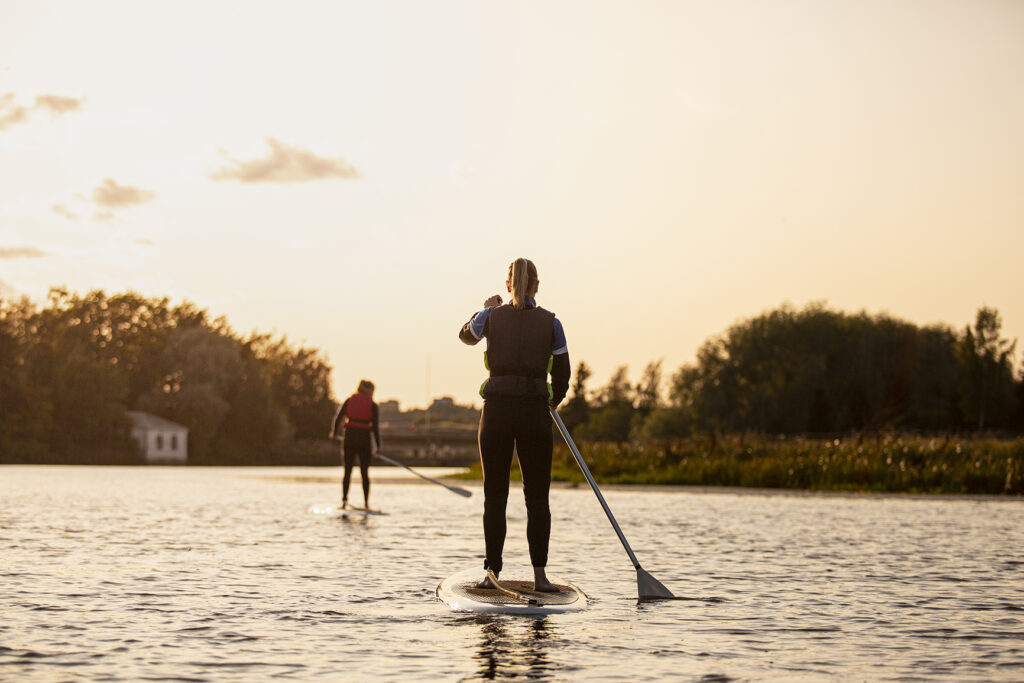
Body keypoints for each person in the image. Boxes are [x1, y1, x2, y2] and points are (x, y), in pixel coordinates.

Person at [459, 258, 570, 592]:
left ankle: (492, 574)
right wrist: (554, 401)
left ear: (508, 286)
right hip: (535, 413)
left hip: (497, 414)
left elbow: (466, 336)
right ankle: (540, 578)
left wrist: (484, 310)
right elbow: (562, 374)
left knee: (495, 496)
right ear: (536, 286)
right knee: (537, 498)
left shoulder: (491, 317)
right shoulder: (552, 323)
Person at [329, 380, 382, 509]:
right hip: (364, 438)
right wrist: (378, 446)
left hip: (350, 437)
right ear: (368, 390)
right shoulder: (373, 405)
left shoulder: (349, 400)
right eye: (372, 391)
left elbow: (338, 417)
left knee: (347, 471)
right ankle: (366, 503)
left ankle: (344, 501)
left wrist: (334, 433)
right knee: (364, 472)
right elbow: (375, 427)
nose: (373, 394)